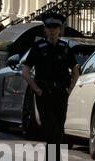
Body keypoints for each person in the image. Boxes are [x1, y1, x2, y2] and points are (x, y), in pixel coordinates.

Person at [19, 12, 79, 145]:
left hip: (60, 94)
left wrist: (69, 90)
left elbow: (75, 71)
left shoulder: (65, 48)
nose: (52, 31)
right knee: (51, 130)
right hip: (44, 94)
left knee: (58, 130)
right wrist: (36, 89)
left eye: (55, 28)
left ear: (60, 30)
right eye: (49, 28)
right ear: (45, 29)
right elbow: (25, 72)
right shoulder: (38, 48)